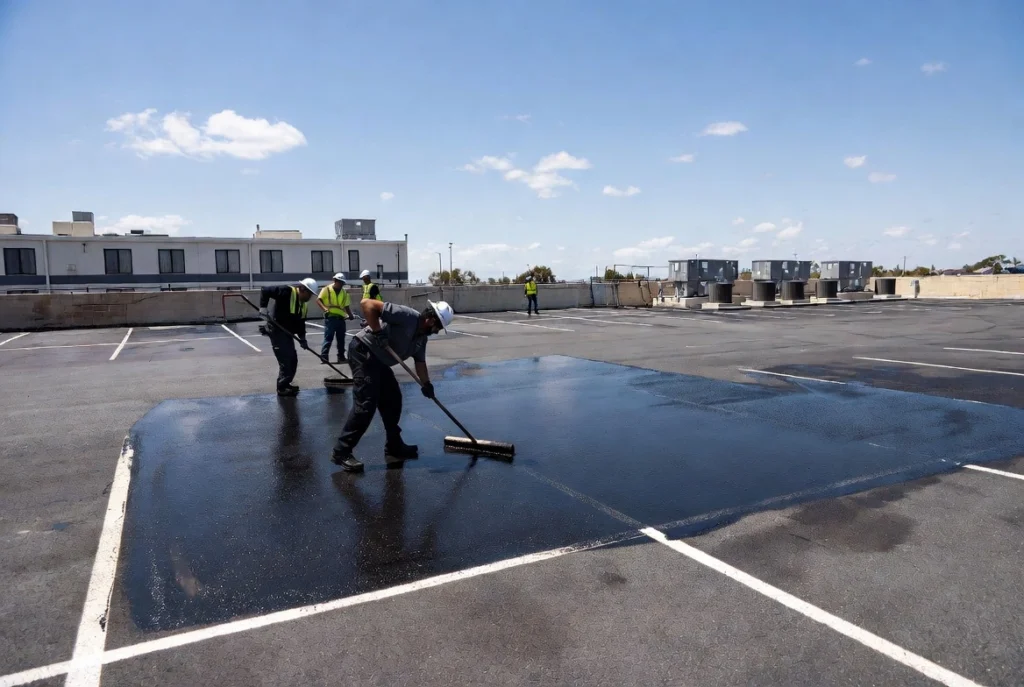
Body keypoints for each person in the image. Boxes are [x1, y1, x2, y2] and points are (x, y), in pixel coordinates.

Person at [331, 298, 454, 472]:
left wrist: (426, 384)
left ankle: (394, 446)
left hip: (380, 361)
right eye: (438, 327)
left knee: (393, 400)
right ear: (431, 320)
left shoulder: (421, 339)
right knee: (366, 404)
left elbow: (420, 362)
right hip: (363, 351)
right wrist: (377, 331)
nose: (437, 331)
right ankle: (341, 451)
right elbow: (367, 304)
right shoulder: (407, 316)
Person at [259, 278, 317, 396]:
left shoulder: (303, 305)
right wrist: (263, 308)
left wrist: (303, 339)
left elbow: (301, 324)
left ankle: (286, 383)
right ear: (302, 289)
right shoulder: (286, 291)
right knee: (285, 359)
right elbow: (265, 290)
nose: (310, 297)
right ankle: (281, 387)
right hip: (276, 330)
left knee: (293, 358)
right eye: (309, 294)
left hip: (287, 333)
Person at [316, 273, 355, 364]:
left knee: (341, 339)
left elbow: (346, 306)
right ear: (335, 281)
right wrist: (325, 309)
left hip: (341, 319)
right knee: (328, 338)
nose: (341, 284)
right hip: (330, 318)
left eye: (342, 283)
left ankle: (341, 357)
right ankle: (324, 357)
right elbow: (318, 300)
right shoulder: (326, 289)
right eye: (340, 282)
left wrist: (350, 315)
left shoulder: (344, 293)